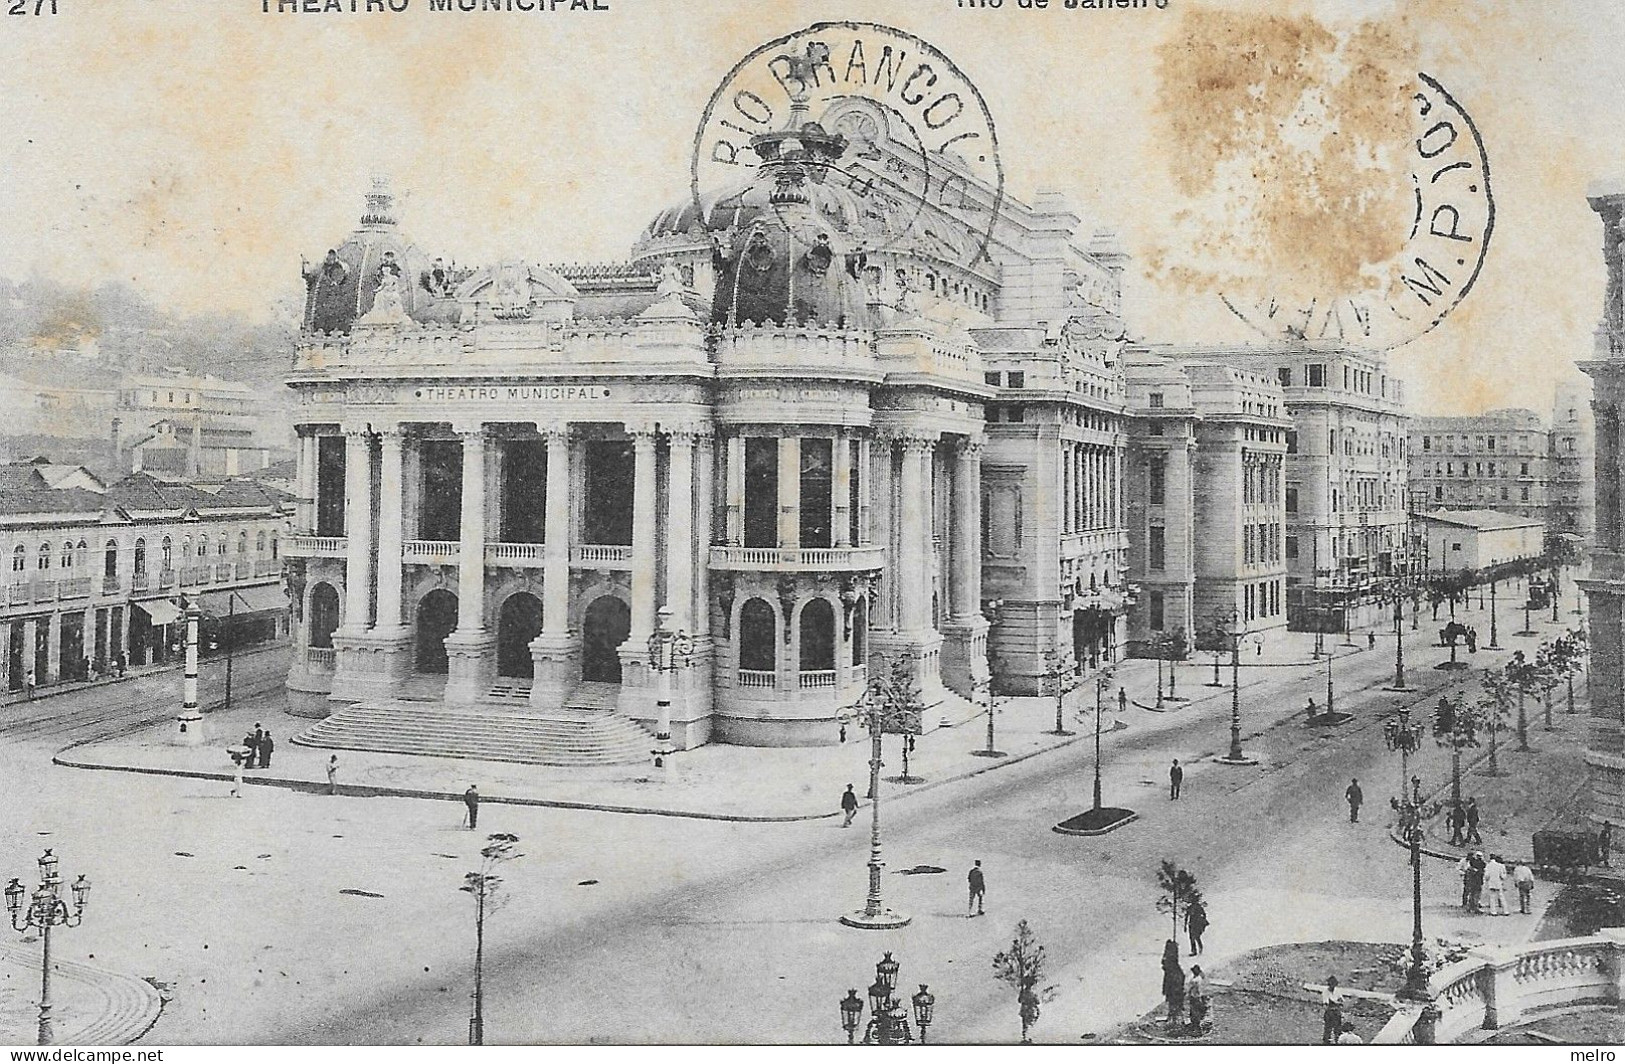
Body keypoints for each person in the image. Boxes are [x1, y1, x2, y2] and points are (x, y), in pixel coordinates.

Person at [1161, 940, 1185, 1031]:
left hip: (1175, 993)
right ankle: (1173, 1020)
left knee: (1175, 1007)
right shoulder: (1172, 970)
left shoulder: (1174, 971)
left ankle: (1175, 1023)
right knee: (1173, 1007)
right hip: (1173, 992)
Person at [1321, 976, 1345, 1045]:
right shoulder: (1325, 992)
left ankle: (1338, 1041)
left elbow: (1341, 1000)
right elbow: (1325, 1004)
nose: (1332, 986)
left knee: (1338, 1029)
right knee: (1328, 1029)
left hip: (1336, 1012)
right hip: (1330, 1012)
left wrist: (1338, 1004)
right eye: (1331, 984)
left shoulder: (1337, 991)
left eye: (1334, 984)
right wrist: (1333, 1005)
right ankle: (1326, 1042)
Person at [1187, 964, 1210, 1033]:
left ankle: (1196, 1026)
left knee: (1195, 1011)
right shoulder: (1194, 978)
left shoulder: (1197, 980)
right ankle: (1195, 1024)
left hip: (1196, 997)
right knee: (1193, 1011)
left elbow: (1196, 989)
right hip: (1194, 996)